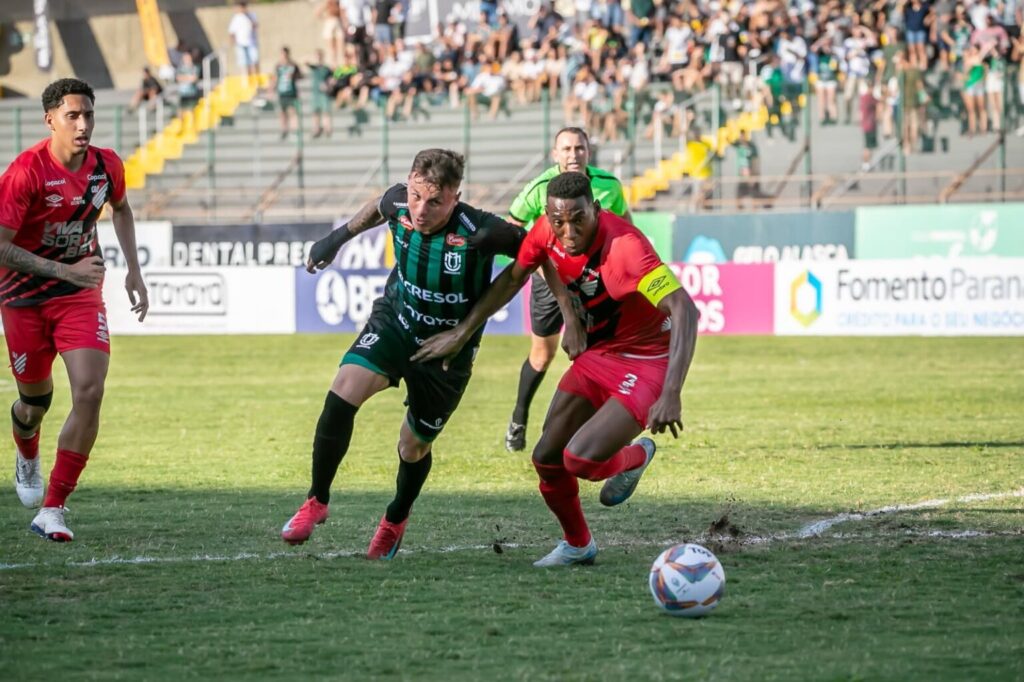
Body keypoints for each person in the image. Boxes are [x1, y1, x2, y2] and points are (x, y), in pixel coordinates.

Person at [412, 172, 699, 567]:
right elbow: (515, 277)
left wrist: (672, 392)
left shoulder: (626, 248)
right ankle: (578, 544)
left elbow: (684, 308)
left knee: (579, 460)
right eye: (558, 221)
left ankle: (636, 455)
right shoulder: (546, 232)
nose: (568, 231)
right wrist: (463, 333)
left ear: (596, 209)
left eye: (578, 219)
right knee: (547, 457)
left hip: (647, 360)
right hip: (600, 354)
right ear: (548, 215)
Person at [279, 149, 526, 559]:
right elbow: (378, 207)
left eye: (435, 202)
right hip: (397, 320)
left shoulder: (483, 229)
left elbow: (528, 262)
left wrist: (463, 331)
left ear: (455, 196)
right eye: (415, 196)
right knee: (342, 392)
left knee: (412, 447)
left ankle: (395, 518)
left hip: (448, 351)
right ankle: (316, 501)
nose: (420, 210)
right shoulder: (399, 202)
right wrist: (336, 239)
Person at [0, 78, 149, 541]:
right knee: (34, 404)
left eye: (88, 115)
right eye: (73, 116)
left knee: (90, 389)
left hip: (79, 296)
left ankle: (53, 508)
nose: (83, 125)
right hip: (23, 299)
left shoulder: (107, 166)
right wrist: (66, 270)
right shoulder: (25, 172)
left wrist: (133, 270)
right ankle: (27, 446)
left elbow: (121, 209)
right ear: (50, 120)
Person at [502, 127, 630, 453]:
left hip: (592, 281)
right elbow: (513, 227)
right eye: (567, 149)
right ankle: (518, 417)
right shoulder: (538, 189)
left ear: (589, 151)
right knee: (542, 355)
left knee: (598, 354)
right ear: (555, 154)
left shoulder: (609, 186)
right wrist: (537, 261)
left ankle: (595, 431)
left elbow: (626, 225)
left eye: (579, 148)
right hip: (549, 282)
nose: (574, 154)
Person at [271, 47, 301, 140]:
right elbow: (275, 78)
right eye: (282, 54)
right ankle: (284, 130)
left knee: (292, 112)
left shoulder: (293, 65)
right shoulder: (278, 66)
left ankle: (294, 130)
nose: (284, 56)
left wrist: (293, 76)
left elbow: (300, 75)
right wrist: (271, 89)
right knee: (282, 112)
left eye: (285, 54)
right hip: (282, 92)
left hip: (291, 92)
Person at [228, 1, 260, 79]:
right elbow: (231, 31)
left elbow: (255, 25)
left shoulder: (251, 15)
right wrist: (232, 41)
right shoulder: (236, 18)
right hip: (240, 43)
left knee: (254, 60)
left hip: (251, 42)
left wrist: (248, 17)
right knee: (244, 63)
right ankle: (247, 78)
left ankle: (256, 77)